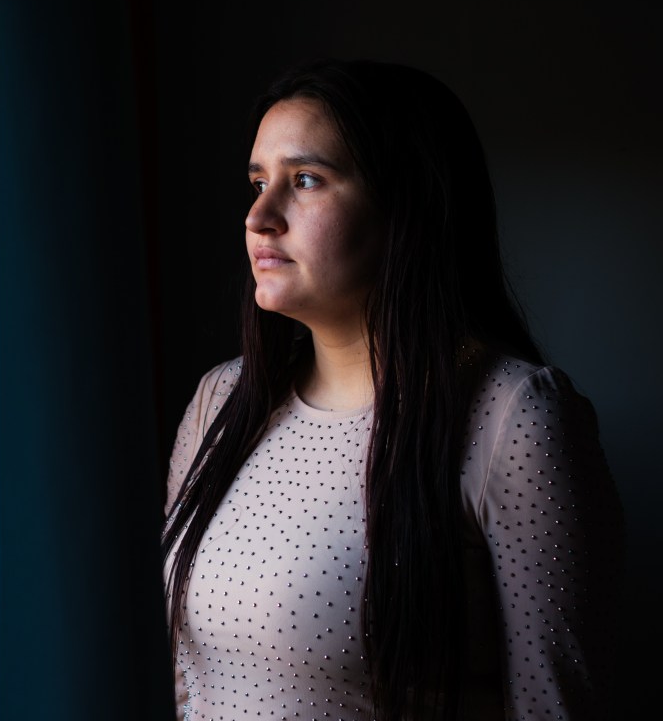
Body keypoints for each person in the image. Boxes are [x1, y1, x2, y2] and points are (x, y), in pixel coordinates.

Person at [161, 60, 623, 721]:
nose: (259, 217)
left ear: (405, 207)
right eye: (258, 183)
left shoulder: (514, 419)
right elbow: (180, 681)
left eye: (306, 180)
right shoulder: (222, 401)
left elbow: (555, 708)